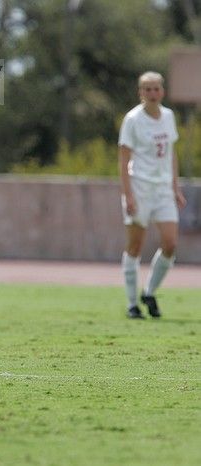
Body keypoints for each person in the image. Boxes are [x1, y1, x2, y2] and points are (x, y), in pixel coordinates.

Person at [118, 71, 186, 319]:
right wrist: (128, 195)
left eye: (156, 88)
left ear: (162, 91)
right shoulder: (133, 119)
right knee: (135, 245)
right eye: (147, 89)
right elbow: (123, 161)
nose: (152, 93)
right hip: (140, 187)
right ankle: (131, 303)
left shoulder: (168, 116)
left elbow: (171, 154)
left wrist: (175, 187)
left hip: (162, 189)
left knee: (170, 243)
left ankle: (149, 292)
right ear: (140, 93)